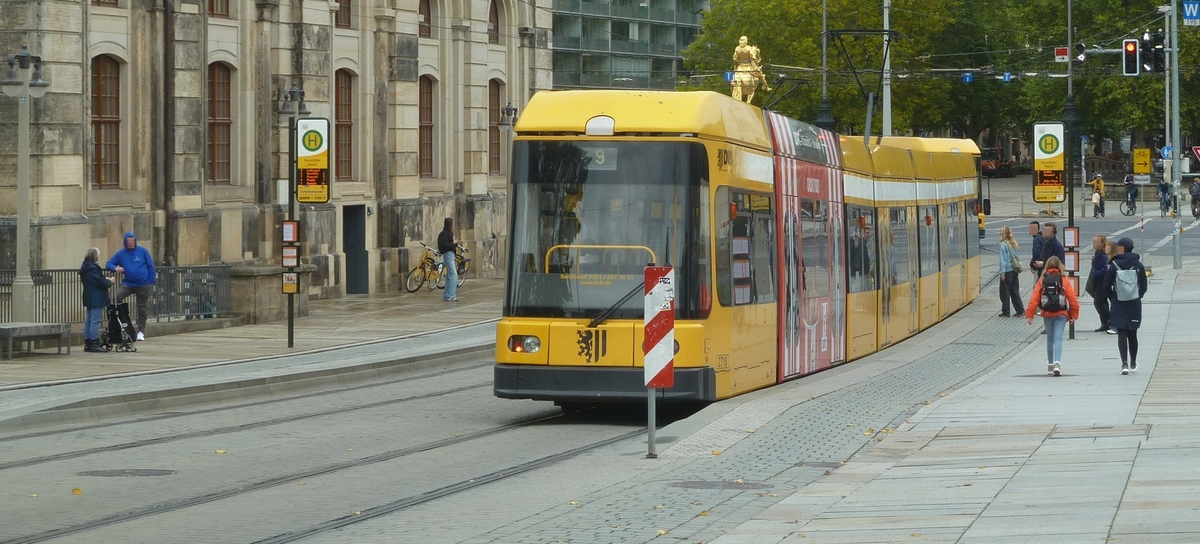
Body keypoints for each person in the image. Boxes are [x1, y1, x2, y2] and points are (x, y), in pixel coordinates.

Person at [1024, 255, 1080, 376]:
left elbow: (1035, 297)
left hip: (1047, 313)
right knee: (1058, 338)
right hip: (1061, 313)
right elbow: (1072, 298)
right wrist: (1073, 315)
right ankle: (1057, 363)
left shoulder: (1043, 279)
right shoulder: (1063, 279)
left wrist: (1030, 314)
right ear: (1060, 266)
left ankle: (1050, 364)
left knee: (1050, 339)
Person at [1102, 237, 1148, 375]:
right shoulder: (1138, 265)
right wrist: (1137, 295)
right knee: (1133, 333)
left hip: (1118, 303)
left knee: (1121, 333)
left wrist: (1113, 297)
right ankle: (1133, 362)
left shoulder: (1114, 265)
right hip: (1134, 303)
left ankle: (1124, 364)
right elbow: (1144, 285)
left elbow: (1105, 286)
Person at [106, 231, 156, 341]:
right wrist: (115, 268)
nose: (130, 244)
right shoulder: (121, 253)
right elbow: (109, 263)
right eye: (128, 242)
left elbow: (151, 266)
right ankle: (122, 321)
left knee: (142, 308)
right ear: (125, 242)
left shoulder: (143, 251)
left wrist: (150, 281)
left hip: (143, 283)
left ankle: (141, 331)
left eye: (132, 242)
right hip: (128, 283)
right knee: (116, 297)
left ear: (135, 241)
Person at [79, 247, 112, 353]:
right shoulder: (93, 268)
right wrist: (109, 281)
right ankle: (94, 343)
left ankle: (88, 343)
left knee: (88, 320)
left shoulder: (85, 267)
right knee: (95, 321)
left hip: (89, 295)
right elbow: (100, 282)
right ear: (95, 256)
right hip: (96, 296)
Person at [1087, 234, 1113, 334]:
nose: (1094, 244)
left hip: (1102, 281)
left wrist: (1094, 274)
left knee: (1098, 302)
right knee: (1102, 302)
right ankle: (1105, 323)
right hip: (1099, 281)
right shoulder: (1098, 253)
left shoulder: (1102, 255)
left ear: (1102, 243)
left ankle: (1109, 320)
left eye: (1096, 242)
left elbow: (1103, 270)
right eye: (1093, 241)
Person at [997, 226, 1025, 317]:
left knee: (1004, 292)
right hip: (1014, 269)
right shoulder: (1014, 243)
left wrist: (1002, 272)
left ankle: (1006, 311)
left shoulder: (1003, 244)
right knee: (1014, 291)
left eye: (1000, 232)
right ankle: (1020, 310)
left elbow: (1003, 260)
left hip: (1007, 270)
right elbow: (1017, 256)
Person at [437, 217, 461, 302]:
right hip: (448, 254)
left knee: (450, 275)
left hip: (450, 254)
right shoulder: (445, 234)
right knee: (453, 274)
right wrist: (453, 243)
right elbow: (445, 246)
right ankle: (451, 295)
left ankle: (447, 295)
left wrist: (455, 244)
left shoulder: (445, 233)